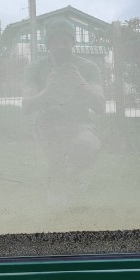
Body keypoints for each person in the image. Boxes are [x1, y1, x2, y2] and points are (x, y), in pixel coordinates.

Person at [22, 17, 105, 181]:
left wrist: (80, 82)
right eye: (55, 42)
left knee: (86, 146)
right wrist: (48, 91)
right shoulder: (35, 68)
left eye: (65, 41)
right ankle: (57, 174)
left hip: (80, 123)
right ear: (48, 44)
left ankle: (73, 174)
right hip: (48, 123)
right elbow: (26, 107)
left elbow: (100, 107)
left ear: (73, 42)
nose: (60, 46)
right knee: (56, 160)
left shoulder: (88, 67)